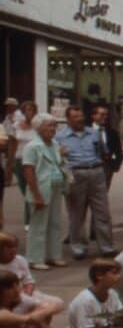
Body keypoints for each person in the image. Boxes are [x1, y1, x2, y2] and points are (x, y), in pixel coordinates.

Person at [57, 105, 116, 260]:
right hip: (76, 174)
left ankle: (107, 246)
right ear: (68, 119)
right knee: (76, 213)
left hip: (96, 172)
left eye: (81, 116)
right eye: (75, 117)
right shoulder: (60, 137)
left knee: (102, 211)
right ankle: (78, 247)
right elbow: (57, 157)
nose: (79, 119)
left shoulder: (94, 133)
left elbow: (103, 152)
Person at [22, 113, 67, 270]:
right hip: (40, 188)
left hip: (55, 187)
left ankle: (53, 255)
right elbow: (29, 171)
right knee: (38, 225)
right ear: (38, 128)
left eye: (54, 125)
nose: (53, 129)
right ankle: (35, 258)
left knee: (55, 223)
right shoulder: (32, 146)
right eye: (49, 125)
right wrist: (36, 195)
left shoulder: (55, 144)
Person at [0, 232, 64, 316]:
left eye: (15, 246)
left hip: (24, 292)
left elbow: (28, 280)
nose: (13, 249)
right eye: (9, 247)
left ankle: (32, 318)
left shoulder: (20, 260)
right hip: (7, 298)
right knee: (42, 307)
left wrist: (28, 294)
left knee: (58, 303)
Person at [7, 101, 38, 228]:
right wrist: (10, 162)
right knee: (25, 190)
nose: (29, 111)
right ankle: (32, 215)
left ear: (35, 111)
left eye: (31, 109)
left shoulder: (38, 125)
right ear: (23, 111)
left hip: (34, 161)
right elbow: (12, 144)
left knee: (31, 189)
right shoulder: (17, 125)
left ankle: (29, 220)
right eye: (26, 109)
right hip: (20, 160)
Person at [91, 103, 123, 189]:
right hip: (89, 168)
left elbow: (119, 152)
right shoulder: (86, 131)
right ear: (93, 116)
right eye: (102, 114)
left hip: (106, 168)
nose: (105, 117)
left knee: (102, 195)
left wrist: (114, 166)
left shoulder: (112, 133)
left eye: (106, 115)